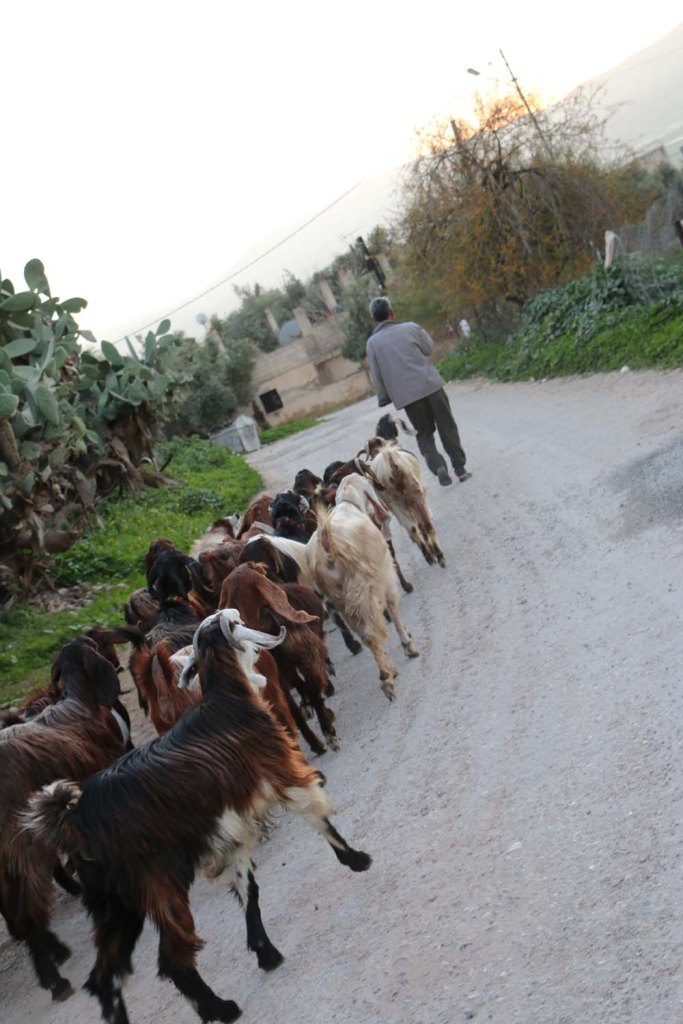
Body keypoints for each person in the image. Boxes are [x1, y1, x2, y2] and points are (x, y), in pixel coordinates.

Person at [365, 296, 471, 486]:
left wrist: (384, 398)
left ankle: (437, 466)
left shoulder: (372, 343)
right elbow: (428, 348)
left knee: (423, 433)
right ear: (392, 312)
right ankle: (460, 469)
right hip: (430, 385)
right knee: (447, 425)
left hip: (407, 396)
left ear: (374, 319)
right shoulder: (410, 327)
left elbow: (377, 374)